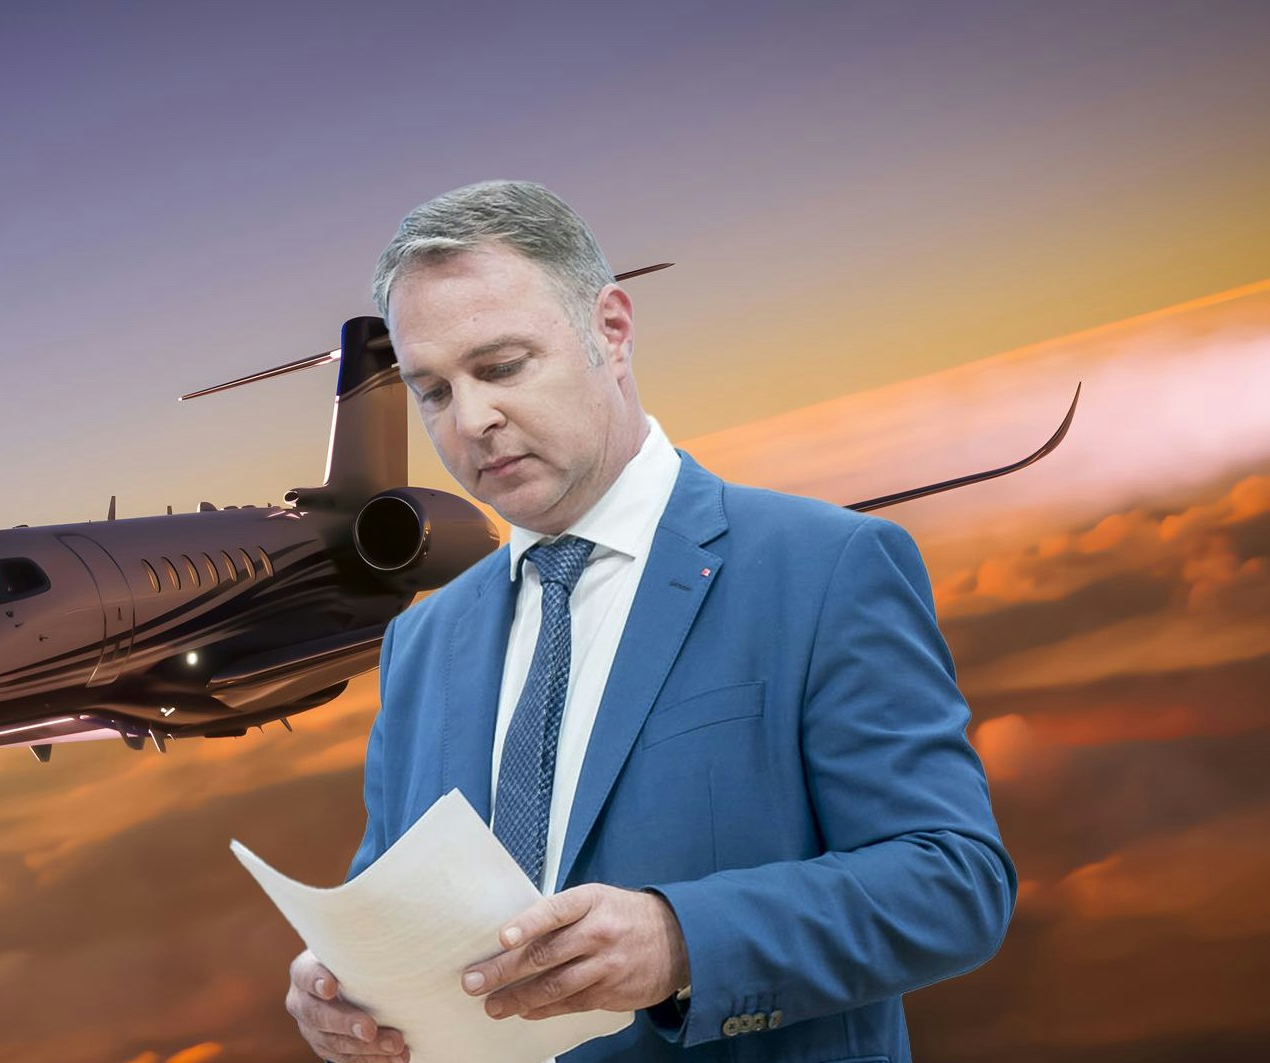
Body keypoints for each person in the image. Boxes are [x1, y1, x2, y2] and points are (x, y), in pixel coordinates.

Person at [283, 180, 1015, 1063]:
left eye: (502, 366)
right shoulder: (421, 642)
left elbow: (954, 882)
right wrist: (339, 987)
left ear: (612, 330)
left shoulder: (826, 566)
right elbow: (386, 903)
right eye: (433, 391)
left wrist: (681, 940)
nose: (470, 419)